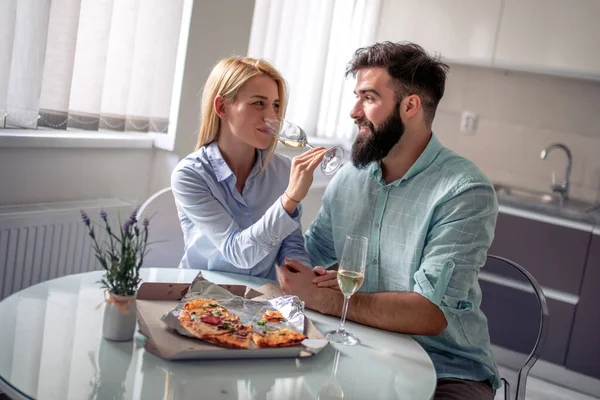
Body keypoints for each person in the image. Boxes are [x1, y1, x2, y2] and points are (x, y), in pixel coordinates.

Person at [277, 42, 500, 399]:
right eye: (356, 97)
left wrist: (329, 300)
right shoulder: (350, 178)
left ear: (410, 106)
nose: (353, 111)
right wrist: (290, 205)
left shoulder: (464, 191)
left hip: (445, 368)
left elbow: (429, 313)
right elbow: (305, 261)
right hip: (356, 345)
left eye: (368, 98)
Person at [171, 56, 327, 280]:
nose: (271, 117)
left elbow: (291, 248)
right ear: (222, 107)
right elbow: (239, 253)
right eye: (258, 103)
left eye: (275, 105)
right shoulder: (190, 175)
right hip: (202, 300)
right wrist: (289, 199)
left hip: (259, 304)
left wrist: (305, 274)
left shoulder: (283, 171)